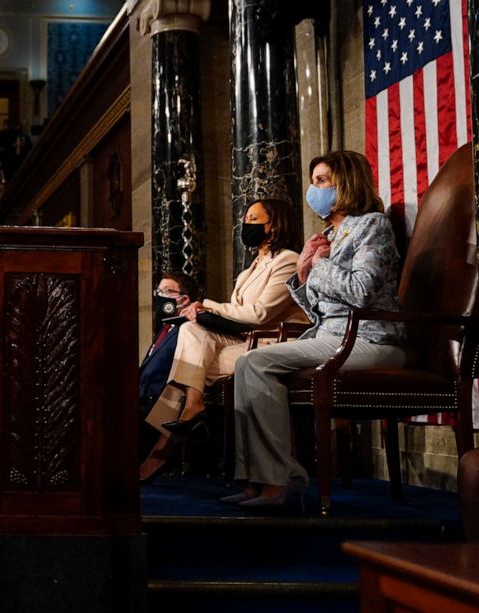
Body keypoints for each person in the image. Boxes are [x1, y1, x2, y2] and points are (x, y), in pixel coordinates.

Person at [226, 150, 406, 509]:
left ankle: (282, 481)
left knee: (256, 363)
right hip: (334, 336)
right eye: (313, 182)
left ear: (348, 183)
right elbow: (319, 311)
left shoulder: (372, 225)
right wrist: (305, 274)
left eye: (322, 181)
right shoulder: (329, 233)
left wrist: (319, 265)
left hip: (370, 338)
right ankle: (257, 479)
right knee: (248, 363)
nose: (314, 189)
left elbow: (362, 291)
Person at [139, 198, 308, 483]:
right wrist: (206, 314)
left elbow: (260, 313)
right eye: (245, 219)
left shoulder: (288, 261)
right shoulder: (248, 270)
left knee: (187, 367)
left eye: (254, 218)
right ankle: (192, 406)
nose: (246, 224)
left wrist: (209, 306)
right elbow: (237, 319)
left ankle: (159, 452)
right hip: (244, 339)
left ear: (274, 224)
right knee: (190, 331)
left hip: (274, 342)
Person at [138, 272, 200, 461]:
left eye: (167, 291)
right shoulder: (166, 330)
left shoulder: (189, 329)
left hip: (157, 402)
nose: (160, 296)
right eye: (159, 291)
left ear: (184, 299)